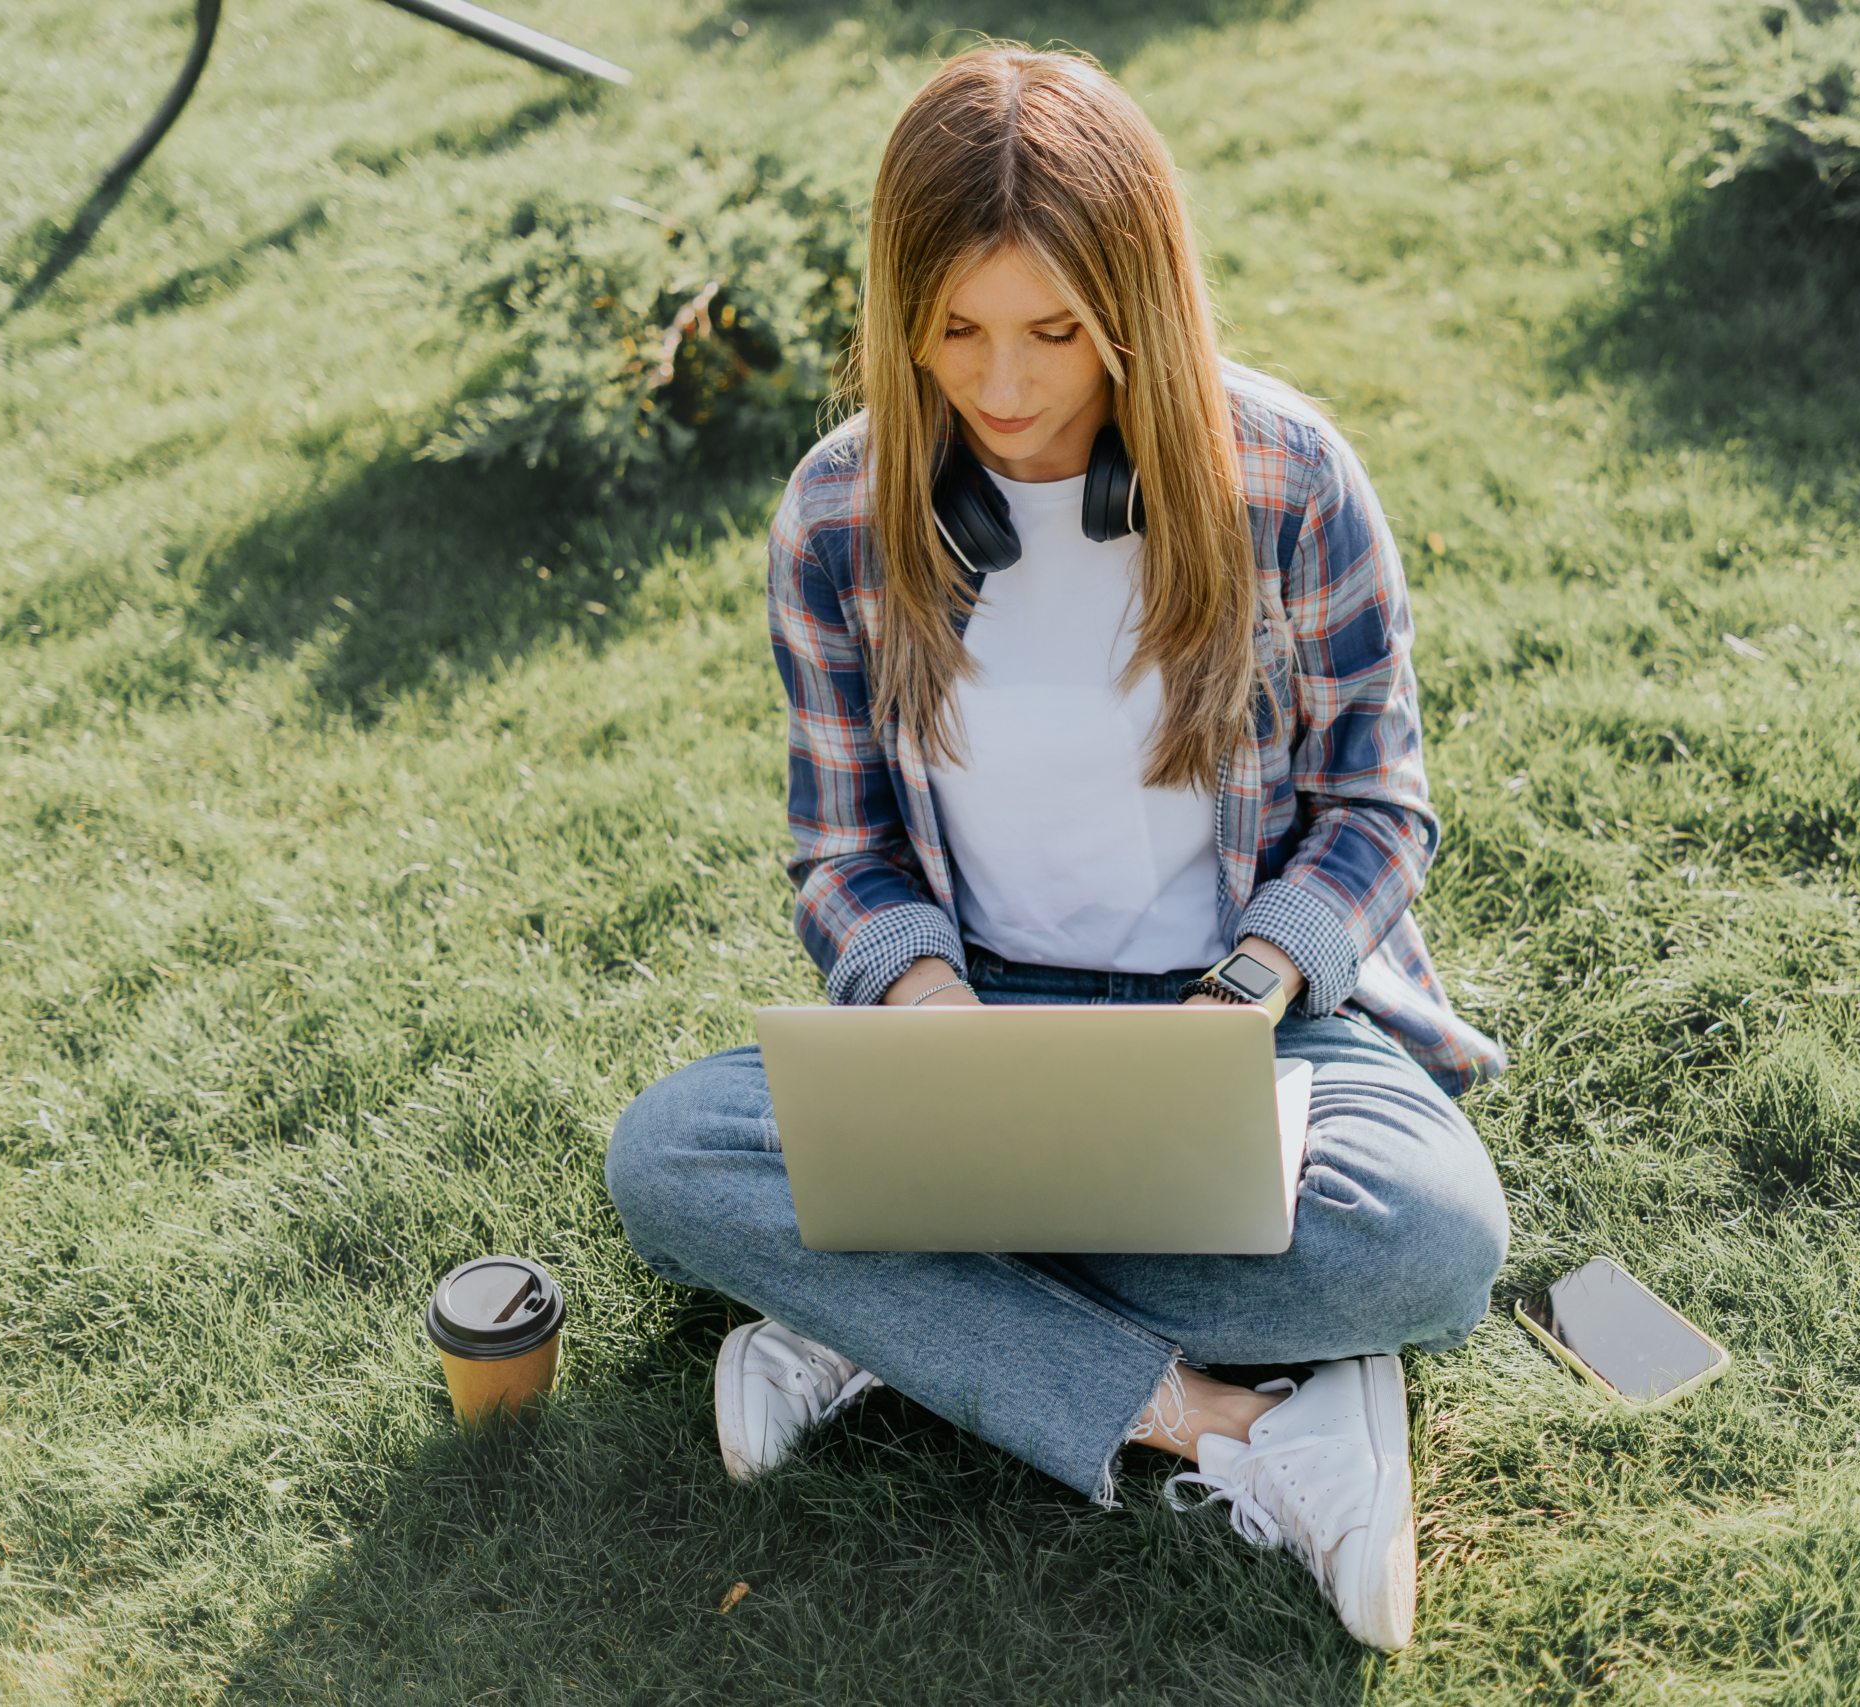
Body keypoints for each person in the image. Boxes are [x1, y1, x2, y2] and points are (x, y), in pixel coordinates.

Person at [604, 44, 1508, 1651]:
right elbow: (843, 852)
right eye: (953, 332)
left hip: (1253, 1019)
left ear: (1134, 307)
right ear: (899, 314)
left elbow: (1380, 807)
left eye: (1053, 332)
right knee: (666, 1161)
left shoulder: (1288, 479)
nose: (1003, 387)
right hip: (972, 1015)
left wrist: (1237, 1005)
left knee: (1433, 1240)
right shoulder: (839, 514)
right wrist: (937, 1028)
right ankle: (1234, 1422)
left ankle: (879, 1311)